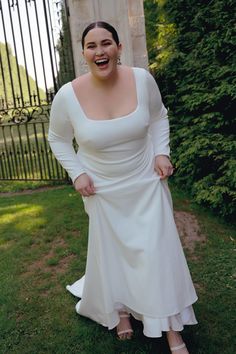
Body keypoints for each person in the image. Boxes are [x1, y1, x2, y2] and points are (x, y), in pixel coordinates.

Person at [48, 21, 198, 353]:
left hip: (146, 179)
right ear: (83, 52)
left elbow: (159, 117)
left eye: (106, 44)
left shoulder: (142, 80)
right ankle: (120, 311)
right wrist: (77, 173)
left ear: (118, 47)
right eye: (91, 46)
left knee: (159, 251)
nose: (99, 51)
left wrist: (162, 152)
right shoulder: (68, 95)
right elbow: (57, 139)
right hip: (101, 187)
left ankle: (172, 327)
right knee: (113, 252)